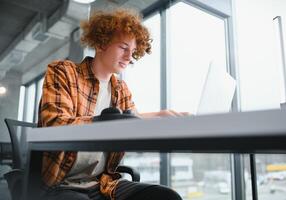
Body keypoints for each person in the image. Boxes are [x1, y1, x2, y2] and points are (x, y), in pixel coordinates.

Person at [38, 8, 186, 200]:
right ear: (101, 44)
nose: (129, 57)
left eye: (132, 51)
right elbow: (55, 126)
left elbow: (130, 119)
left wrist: (160, 115)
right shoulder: (63, 72)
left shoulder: (120, 88)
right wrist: (104, 122)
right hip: (62, 183)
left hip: (103, 183)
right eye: (123, 48)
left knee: (166, 196)